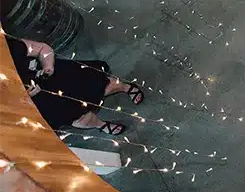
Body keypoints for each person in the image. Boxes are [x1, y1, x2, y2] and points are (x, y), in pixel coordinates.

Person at [5, 34, 144, 135]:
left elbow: (43, 49)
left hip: (53, 77)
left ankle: (125, 87)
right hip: (39, 103)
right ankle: (100, 125)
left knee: (100, 85)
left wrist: (48, 68)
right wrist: (22, 98)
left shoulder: (7, 47)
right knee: (78, 119)